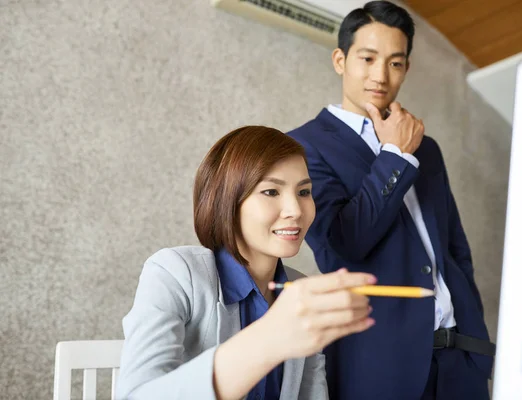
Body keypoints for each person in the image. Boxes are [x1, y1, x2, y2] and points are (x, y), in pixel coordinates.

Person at [288, 2, 495, 399]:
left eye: (395, 64)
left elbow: (455, 249)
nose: (380, 76)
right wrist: (396, 156)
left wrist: (475, 340)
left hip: (460, 364)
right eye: (367, 58)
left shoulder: (427, 147)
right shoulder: (303, 146)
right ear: (340, 60)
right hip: (379, 368)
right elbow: (344, 244)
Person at [116, 126, 378, 400]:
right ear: (227, 200)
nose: (296, 210)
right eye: (271, 192)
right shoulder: (174, 273)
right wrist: (269, 337)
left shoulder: (300, 290)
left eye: (304, 192)